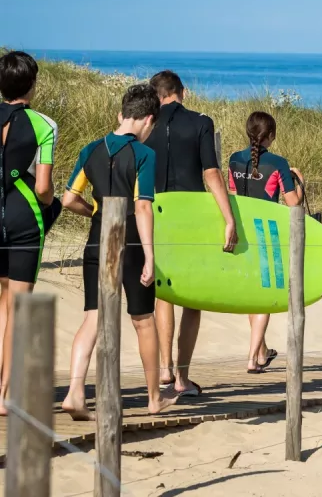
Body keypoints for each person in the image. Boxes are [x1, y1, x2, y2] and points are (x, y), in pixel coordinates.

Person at [60, 84, 176, 419]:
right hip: (130, 242)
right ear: (149, 120)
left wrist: (94, 212)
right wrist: (151, 256)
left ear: (121, 114)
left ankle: (74, 393)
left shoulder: (91, 149)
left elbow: (68, 198)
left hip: (97, 237)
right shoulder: (144, 154)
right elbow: (142, 208)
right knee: (143, 319)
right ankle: (154, 398)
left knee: (93, 318)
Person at [145, 71, 237, 398]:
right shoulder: (201, 122)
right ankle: (182, 378)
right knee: (192, 298)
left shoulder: (146, 123)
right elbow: (210, 172)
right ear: (182, 92)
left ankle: (165, 367)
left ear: (155, 95)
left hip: (155, 213)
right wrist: (229, 219)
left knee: (164, 293)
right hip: (192, 216)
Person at [0, 52, 60, 414]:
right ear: (32, 86)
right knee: (18, 308)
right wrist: (51, 203)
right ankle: (5, 394)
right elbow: (42, 188)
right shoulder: (44, 124)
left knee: (3, 305)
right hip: (24, 222)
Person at [228, 111, 303, 374]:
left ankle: (261, 351)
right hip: (267, 235)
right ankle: (252, 359)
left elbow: (234, 194)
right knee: (264, 297)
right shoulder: (279, 163)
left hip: (242, 233)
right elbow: (293, 203)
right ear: (271, 136)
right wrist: (300, 182)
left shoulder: (234, 159)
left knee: (252, 295)